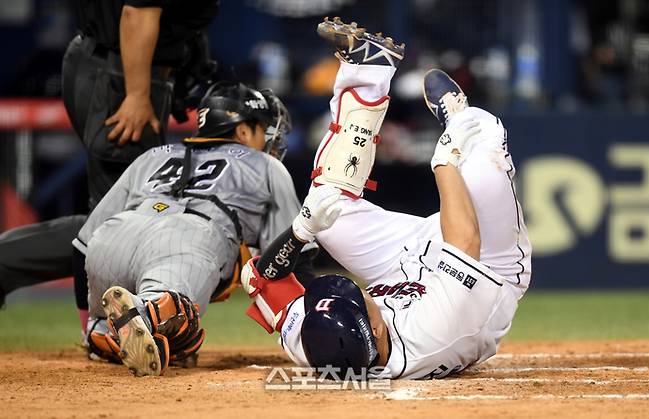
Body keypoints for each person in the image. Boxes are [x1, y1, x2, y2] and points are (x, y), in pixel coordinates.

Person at [240, 18, 531, 379]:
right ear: (375, 331)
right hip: (487, 264)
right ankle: (460, 116)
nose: (362, 292)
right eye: (361, 300)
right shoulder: (435, 329)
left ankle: (368, 70)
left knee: (328, 211)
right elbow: (466, 240)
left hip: (403, 265)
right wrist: (444, 160)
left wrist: (301, 231)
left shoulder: (315, 342)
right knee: (481, 155)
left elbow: (260, 279)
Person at [74, 82, 317, 377]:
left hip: (113, 237)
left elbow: (83, 246)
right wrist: (313, 326)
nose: (269, 139)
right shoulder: (265, 164)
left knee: (168, 339)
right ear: (242, 131)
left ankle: (102, 330)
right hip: (189, 237)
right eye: (262, 129)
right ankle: (148, 314)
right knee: (175, 315)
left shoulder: (153, 156)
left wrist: (88, 317)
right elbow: (294, 256)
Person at [0, 0, 219, 315]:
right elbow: (137, 12)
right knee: (121, 226)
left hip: (117, 69)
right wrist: (138, 94)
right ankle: (113, 327)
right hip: (121, 80)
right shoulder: (131, 82)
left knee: (120, 219)